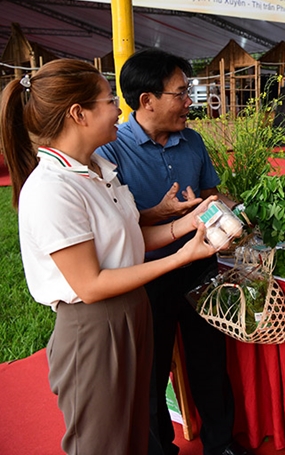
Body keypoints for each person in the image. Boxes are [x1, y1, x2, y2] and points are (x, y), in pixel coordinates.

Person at [0, 60, 223, 454]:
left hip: (130, 310)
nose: (118, 109)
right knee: (103, 443)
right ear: (78, 114)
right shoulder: (53, 188)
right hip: (94, 326)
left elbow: (128, 236)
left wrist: (186, 225)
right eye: (108, 101)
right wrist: (179, 258)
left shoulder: (97, 168)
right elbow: (90, 284)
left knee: (134, 434)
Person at [96, 49, 250, 455]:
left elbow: (209, 197)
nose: (190, 103)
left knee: (210, 362)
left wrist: (229, 220)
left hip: (201, 270)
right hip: (145, 276)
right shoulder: (111, 151)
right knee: (150, 374)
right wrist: (158, 214)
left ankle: (221, 445)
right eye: (181, 94)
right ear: (147, 100)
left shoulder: (192, 141)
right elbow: (113, 228)